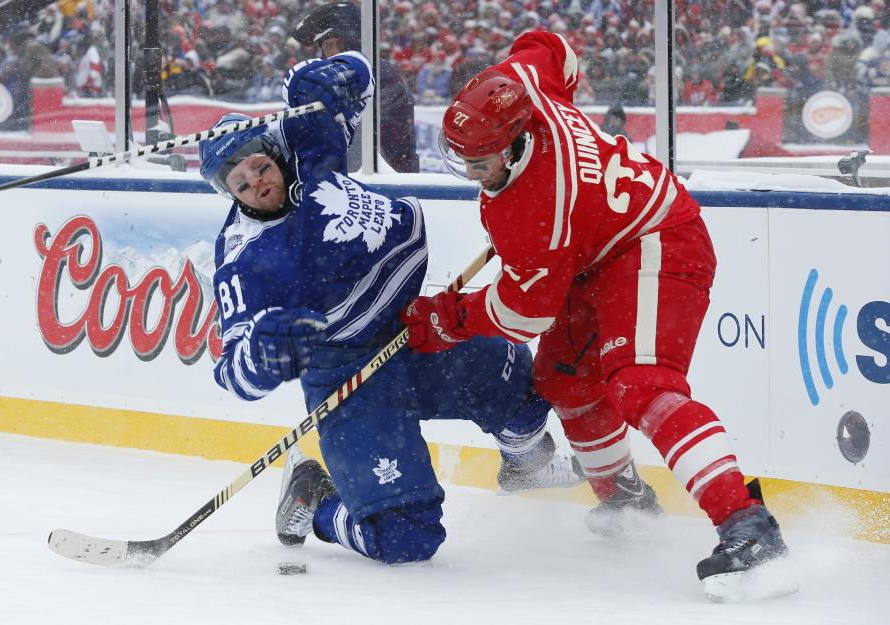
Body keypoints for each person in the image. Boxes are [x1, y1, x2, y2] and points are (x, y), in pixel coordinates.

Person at [401, 31, 797, 602]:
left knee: (641, 384)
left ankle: (746, 525)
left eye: (479, 164)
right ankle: (626, 501)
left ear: (513, 147)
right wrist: (513, 68)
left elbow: (521, 314)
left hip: (658, 240)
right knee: (563, 379)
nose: (470, 174)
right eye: (458, 158)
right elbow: (551, 47)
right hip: (595, 253)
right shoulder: (523, 86)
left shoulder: (535, 207)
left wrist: (447, 317)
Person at [199, 49, 581, 565]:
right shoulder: (245, 260)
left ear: (274, 153)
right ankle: (319, 502)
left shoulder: (306, 145)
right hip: (349, 379)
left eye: (261, 167)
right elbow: (232, 372)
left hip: (412, 329)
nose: (258, 184)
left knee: (519, 379)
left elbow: (360, 74)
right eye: (241, 184)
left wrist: (330, 78)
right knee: (406, 540)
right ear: (228, 193)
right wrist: (265, 356)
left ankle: (526, 468)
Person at [291, 1, 420, 173]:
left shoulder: (379, 76)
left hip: (381, 185)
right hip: (353, 184)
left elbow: (366, 141)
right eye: (327, 46)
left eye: (336, 44)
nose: (332, 53)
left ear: (353, 42)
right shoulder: (335, 81)